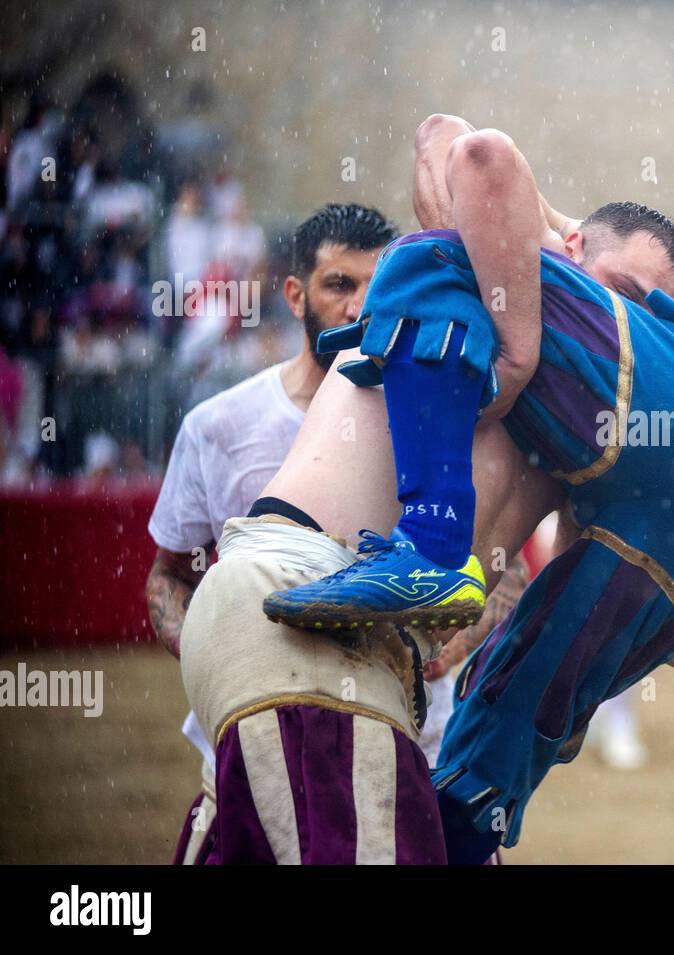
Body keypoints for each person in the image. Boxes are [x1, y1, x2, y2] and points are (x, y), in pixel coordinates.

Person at [266, 115, 674, 862]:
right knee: (482, 755)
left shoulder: (564, 278)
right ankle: (464, 811)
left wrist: (521, 347)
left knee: (434, 259)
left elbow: (470, 147)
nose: (636, 317)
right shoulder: (588, 448)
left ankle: (429, 548)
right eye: (622, 297)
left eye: (656, 311)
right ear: (573, 249)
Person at [146, 202, 440, 863]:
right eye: (340, 285)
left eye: (378, 287)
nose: (360, 306)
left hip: (418, 741)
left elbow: (500, 572)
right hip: (249, 738)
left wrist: (449, 645)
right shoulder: (219, 425)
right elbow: (169, 575)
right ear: (294, 293)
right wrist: (211, 645)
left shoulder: (436, 419)